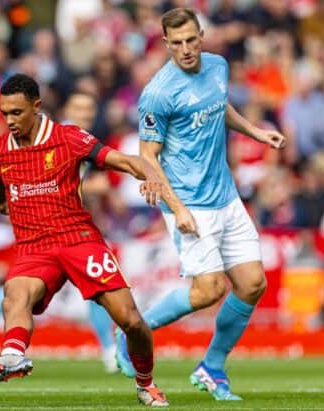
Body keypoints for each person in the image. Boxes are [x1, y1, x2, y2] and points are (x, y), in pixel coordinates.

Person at [113, 8, 286, 401]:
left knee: (252, 283)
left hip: (224, 194)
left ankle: (212, 367)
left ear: (202, 35)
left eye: (192, 40)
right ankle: (132, 333)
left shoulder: (218, 66)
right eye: (177, 43)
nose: (186, 49)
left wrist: (257, 133)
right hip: (189, 200)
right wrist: (177, 208)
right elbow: (148, 157)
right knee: (208, 290)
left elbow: (216, 105)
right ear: (165, 44)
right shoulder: (157, 93)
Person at [0, 73, 169, 407]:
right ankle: (12, 354)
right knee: (15, 293)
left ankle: (146, 383)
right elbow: (0, 178)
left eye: (17, 113)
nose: (9, 121)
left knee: (131, 321)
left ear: (36, 107)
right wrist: (0, 202)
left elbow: (120, 160)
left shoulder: (68, 138)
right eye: (4, 113)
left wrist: (152, 174)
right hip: (33, 246)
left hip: (78, 239)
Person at [0, 91, 118, 375]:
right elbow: (45, 181)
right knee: (25, 288)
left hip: (64, 226)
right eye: (79, 107)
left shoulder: (80, 138)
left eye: (90, 109)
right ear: (67, 108)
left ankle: (107, 348)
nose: (86, 114)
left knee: (88, 285)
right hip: (38, 226)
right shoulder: (57, 137)